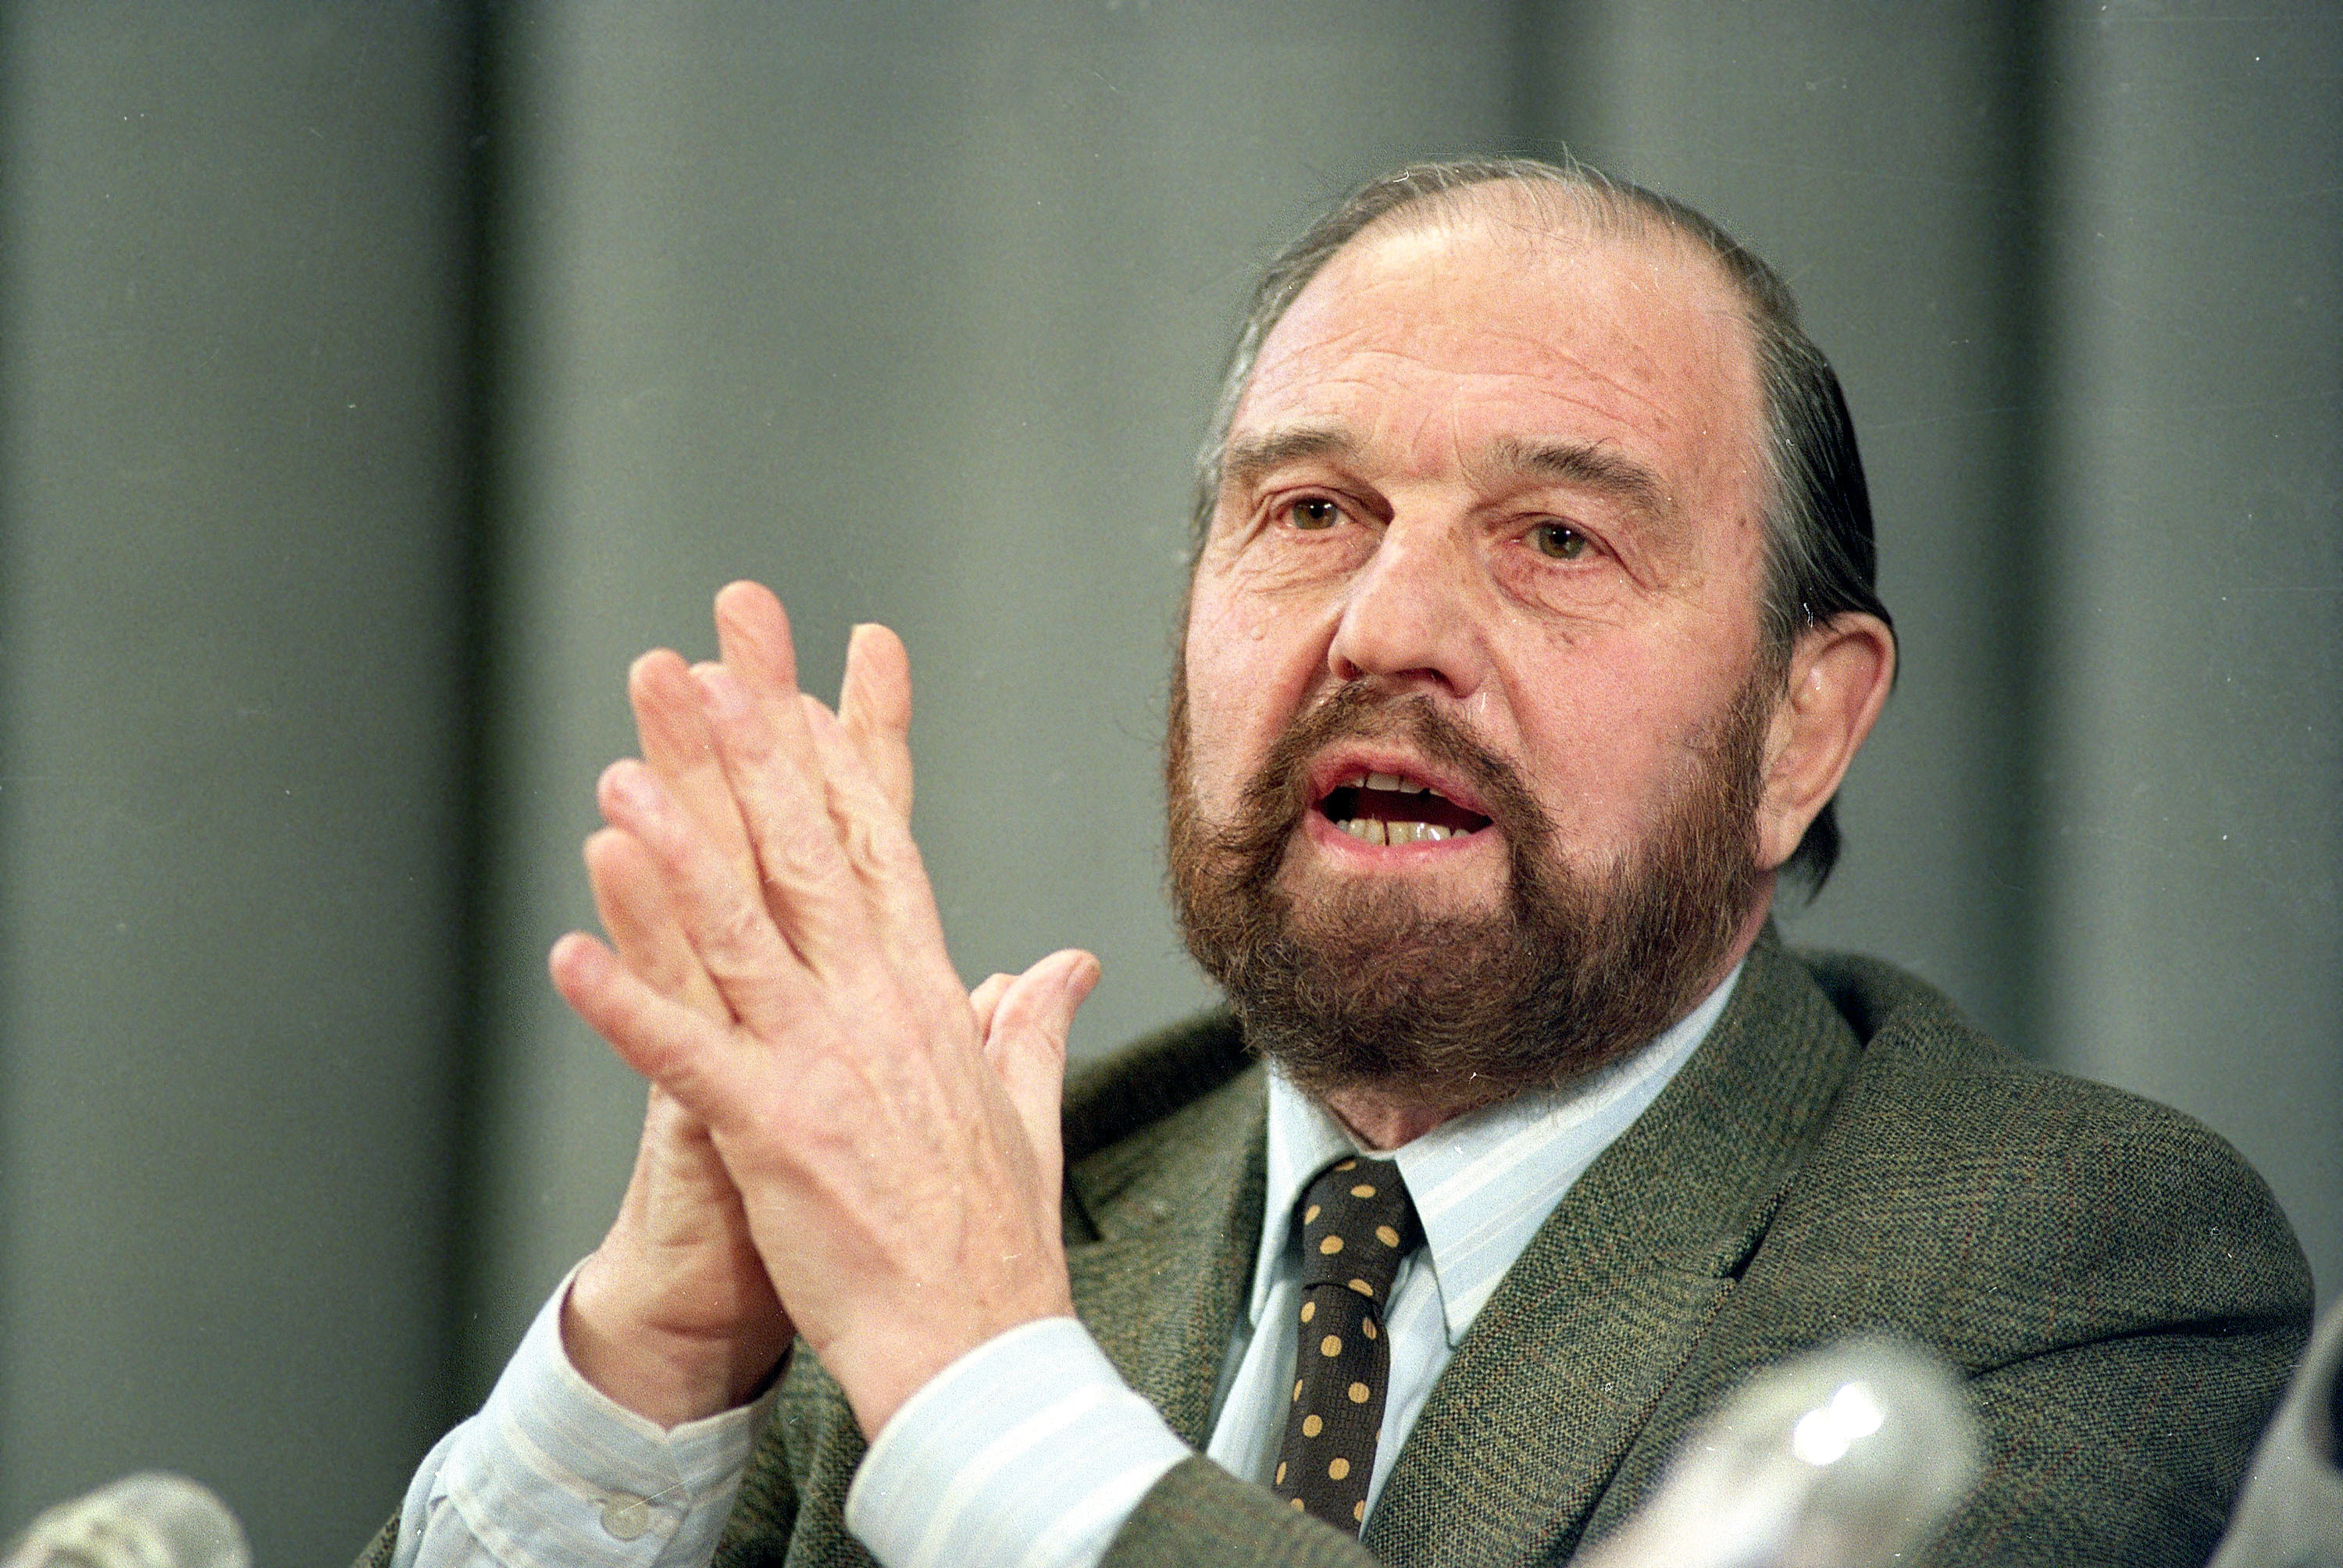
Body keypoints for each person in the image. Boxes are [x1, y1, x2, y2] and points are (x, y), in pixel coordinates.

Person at [362, 158, 2310, 1568]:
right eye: (1311, 508)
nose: (1387, 624)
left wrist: (976, 1378)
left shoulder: (2069, 1261)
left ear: (1804, 725)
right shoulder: (1021, 1193)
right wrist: (668, 1350)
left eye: (1554, 538)